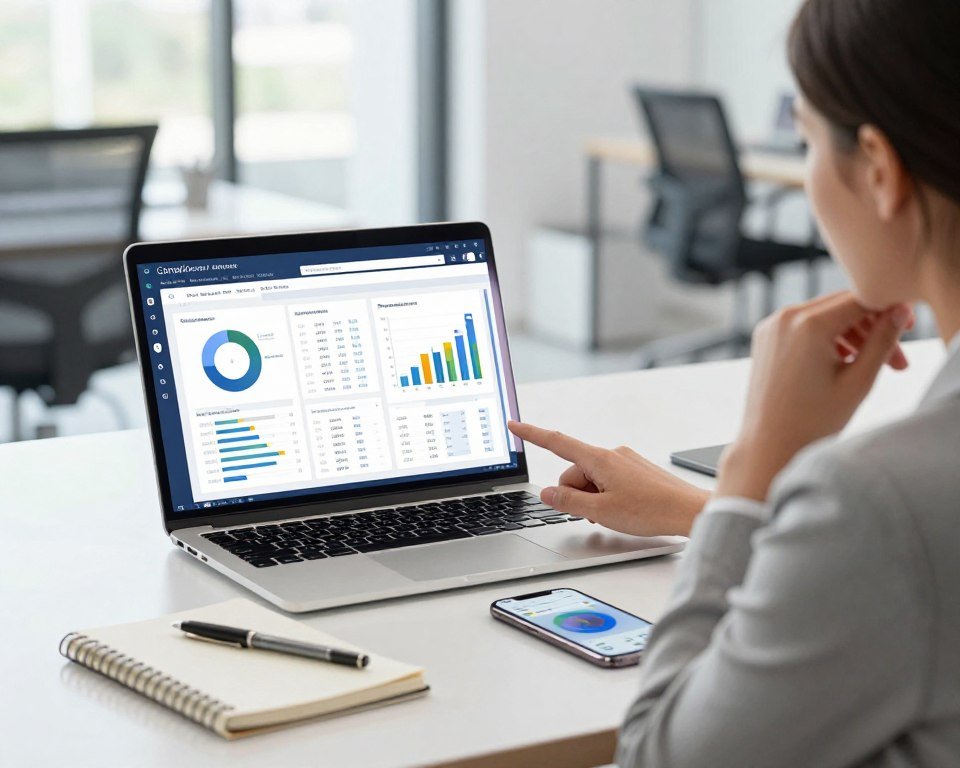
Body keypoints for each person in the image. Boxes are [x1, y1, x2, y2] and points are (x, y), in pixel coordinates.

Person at [509, 0, 960, 765]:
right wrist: (706, 509)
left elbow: (657, 758)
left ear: (880, 171)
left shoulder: (878, 497)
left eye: (809, 141)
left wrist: (756, 467)